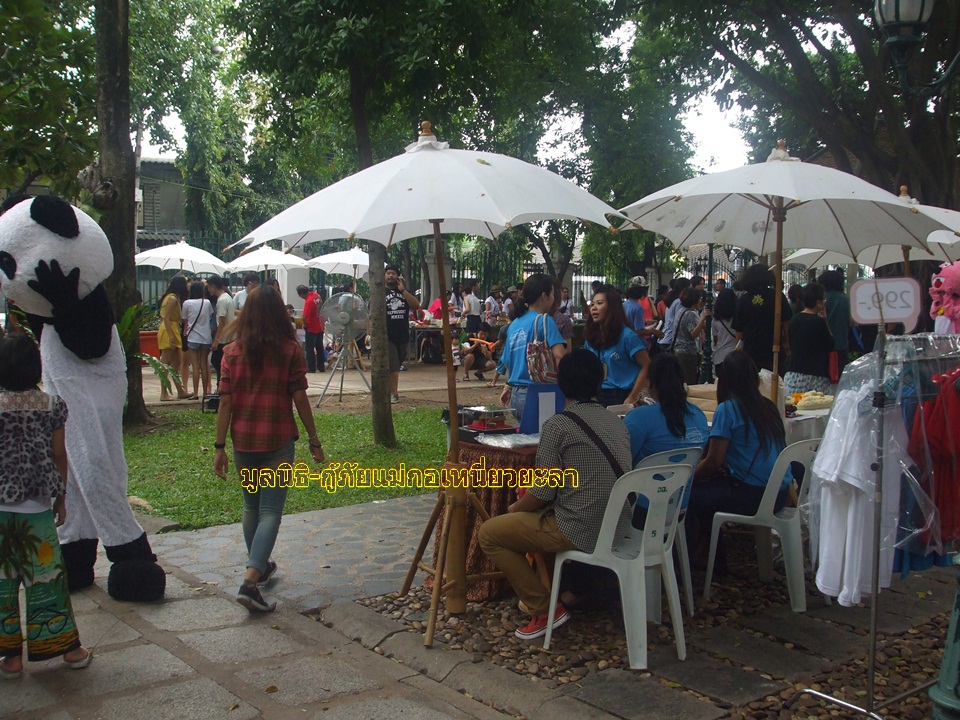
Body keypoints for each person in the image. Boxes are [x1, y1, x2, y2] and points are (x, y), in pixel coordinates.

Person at [479, 349, 632, 640]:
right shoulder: (617, 422)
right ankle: (557, 592)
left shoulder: (558, 425)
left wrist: (515, 509)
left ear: (561, 384)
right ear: (599, 383)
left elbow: (542, 492)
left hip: (579, 529)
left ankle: (544, 609)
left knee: (489, 533)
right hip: (619, 527)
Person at [213, 286, 325, 613]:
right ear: (279, 313)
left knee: (251, 507)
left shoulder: (231, 352)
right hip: (278, 442)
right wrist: (314, 439)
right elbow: (300, 398)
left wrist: (219, 447)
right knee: (271, 511)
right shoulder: (290, 351)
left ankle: (259, 567)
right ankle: (250, 581)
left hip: (243, 442)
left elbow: (225, 402)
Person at [0, 333, 92, 676]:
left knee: (2, 582)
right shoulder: (52, 405)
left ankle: (10, 657)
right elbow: (59, 455)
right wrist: (61, 497)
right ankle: (67, 649)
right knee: (46, 579)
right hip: (36, 508)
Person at [688, 351, 790, 567]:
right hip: (780, 494)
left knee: (692, 495)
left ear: (725, 380)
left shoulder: (727, 409)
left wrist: (687, 479)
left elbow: (713, 462)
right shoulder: (768, 407)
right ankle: (709, 554)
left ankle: (706, 560)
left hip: (754, 496)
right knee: (709, 490)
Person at [498, 273, 566, 419]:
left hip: (516, 395)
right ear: (544, 296)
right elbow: (560, 355)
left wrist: (508, 386)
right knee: (545, 433)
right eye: (552, 294)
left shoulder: (514, 325)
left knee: (524, 434)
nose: (553, 298)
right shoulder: (544, 321)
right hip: (539, 395)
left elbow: (508, 362)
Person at [624, 353, 709, 469]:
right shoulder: (698, 414)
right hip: (685, 480)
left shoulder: (637, 418)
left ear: (648, 383)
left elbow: (622, 457)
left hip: (643, 480)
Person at [584, 285, 650, 407]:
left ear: (612, 307)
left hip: (620, 396)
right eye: (592, 304)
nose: (594, 308)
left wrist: (632, 397)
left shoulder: (627, 336)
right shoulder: (591, 337)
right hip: (595, 394)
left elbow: (646, 365)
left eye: (599, 303)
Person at [732, 263, 792, 373]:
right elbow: (786, 323)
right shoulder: (777, 296)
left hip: (750, 351)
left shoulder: (744, 300)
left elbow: (739, 331)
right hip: (773, 349)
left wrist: (738, 351)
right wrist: (787, 343)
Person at [784, 282, 835, 395]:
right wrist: (825, 320)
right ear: (818, 302)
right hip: (817, 374)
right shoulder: (819, 322)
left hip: (794, 372)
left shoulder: (794, 319)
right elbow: (830, 345)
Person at [385, 264, 420, 404]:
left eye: (393, 273)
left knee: (397, 363)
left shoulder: (403, 291)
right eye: (388, 273)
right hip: (387, 335)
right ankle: (394, 393)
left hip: (402, 334)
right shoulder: (380, 292)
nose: (390, 275)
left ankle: (389, 389)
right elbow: (371, 315)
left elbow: (416, 305)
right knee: (393, 365)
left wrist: (403, 290)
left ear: (398, 276)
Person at [157, 275, 191, 401]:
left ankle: (180, 391)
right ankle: (164, 393)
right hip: (169, 330)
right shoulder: (172, 299)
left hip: (174, 328)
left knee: (175, 364)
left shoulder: (173, 297)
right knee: (165, 363)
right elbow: (166, 318)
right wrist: (171, 336)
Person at [671, 288, 711, 386]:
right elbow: (693, 334)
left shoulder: (681, 311)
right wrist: (703, 318)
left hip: (678, 349)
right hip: (687, 352)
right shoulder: (690, 314)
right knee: (689, 381)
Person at [181, 281, 214, 398]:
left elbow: (184, 319)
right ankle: (205, 392)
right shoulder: (207, 302)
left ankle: (195, 393)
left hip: (193, 337)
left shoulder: (187, 303)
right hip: (206, 337)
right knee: (204, 365)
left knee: (195, 366)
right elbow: (210, 315)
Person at [819, 269, 851, 376]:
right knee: (840, 375)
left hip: (822, 346)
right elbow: (852, 322)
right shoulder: (845, 300)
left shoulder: (819, 301)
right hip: (841, 345)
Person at [207, 276, 236, 391]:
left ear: (213, 286)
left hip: (224, 338)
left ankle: (221, 385)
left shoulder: (222, 300)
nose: (208, 290)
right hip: (228, 336)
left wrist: (216, 340)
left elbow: (221, 322)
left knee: (217, 361)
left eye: (209, 287)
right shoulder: (227, 297)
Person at [658, 277, 692, 352]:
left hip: (666, 337)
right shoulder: (679, 302)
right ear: (684, 289)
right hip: (671, 340)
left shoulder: (673, 301)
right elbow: (679, 320)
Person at [711, 287, 738, 377]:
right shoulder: (738, 319)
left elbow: (715, 340)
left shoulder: (715, 321)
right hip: (735, 356)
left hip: (719, 355)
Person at [297, 284, 324, 373]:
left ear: (302, 294)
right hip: (320, 325)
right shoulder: (317, 295)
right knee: (319, 347)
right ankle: (321, 366)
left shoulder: (308, 301)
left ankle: (311, 367)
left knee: (309, 348)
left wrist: (305, 324)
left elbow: (304, 317)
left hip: (311, 327)